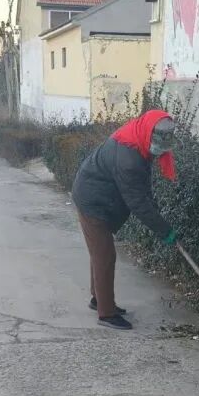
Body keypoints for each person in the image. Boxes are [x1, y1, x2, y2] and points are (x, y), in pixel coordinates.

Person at [72, 109, 178, 330]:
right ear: (149, 133)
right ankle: (106, 314)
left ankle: (98, 299)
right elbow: (137, 202)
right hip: (92, 201)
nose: (158, 150)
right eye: (157, 144)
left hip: (99, 195)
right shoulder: (129, 158)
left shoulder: (137, 138)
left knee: (100, 253)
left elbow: (143, 189)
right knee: (105, 256)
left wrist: (157, 215)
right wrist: (163, 229)